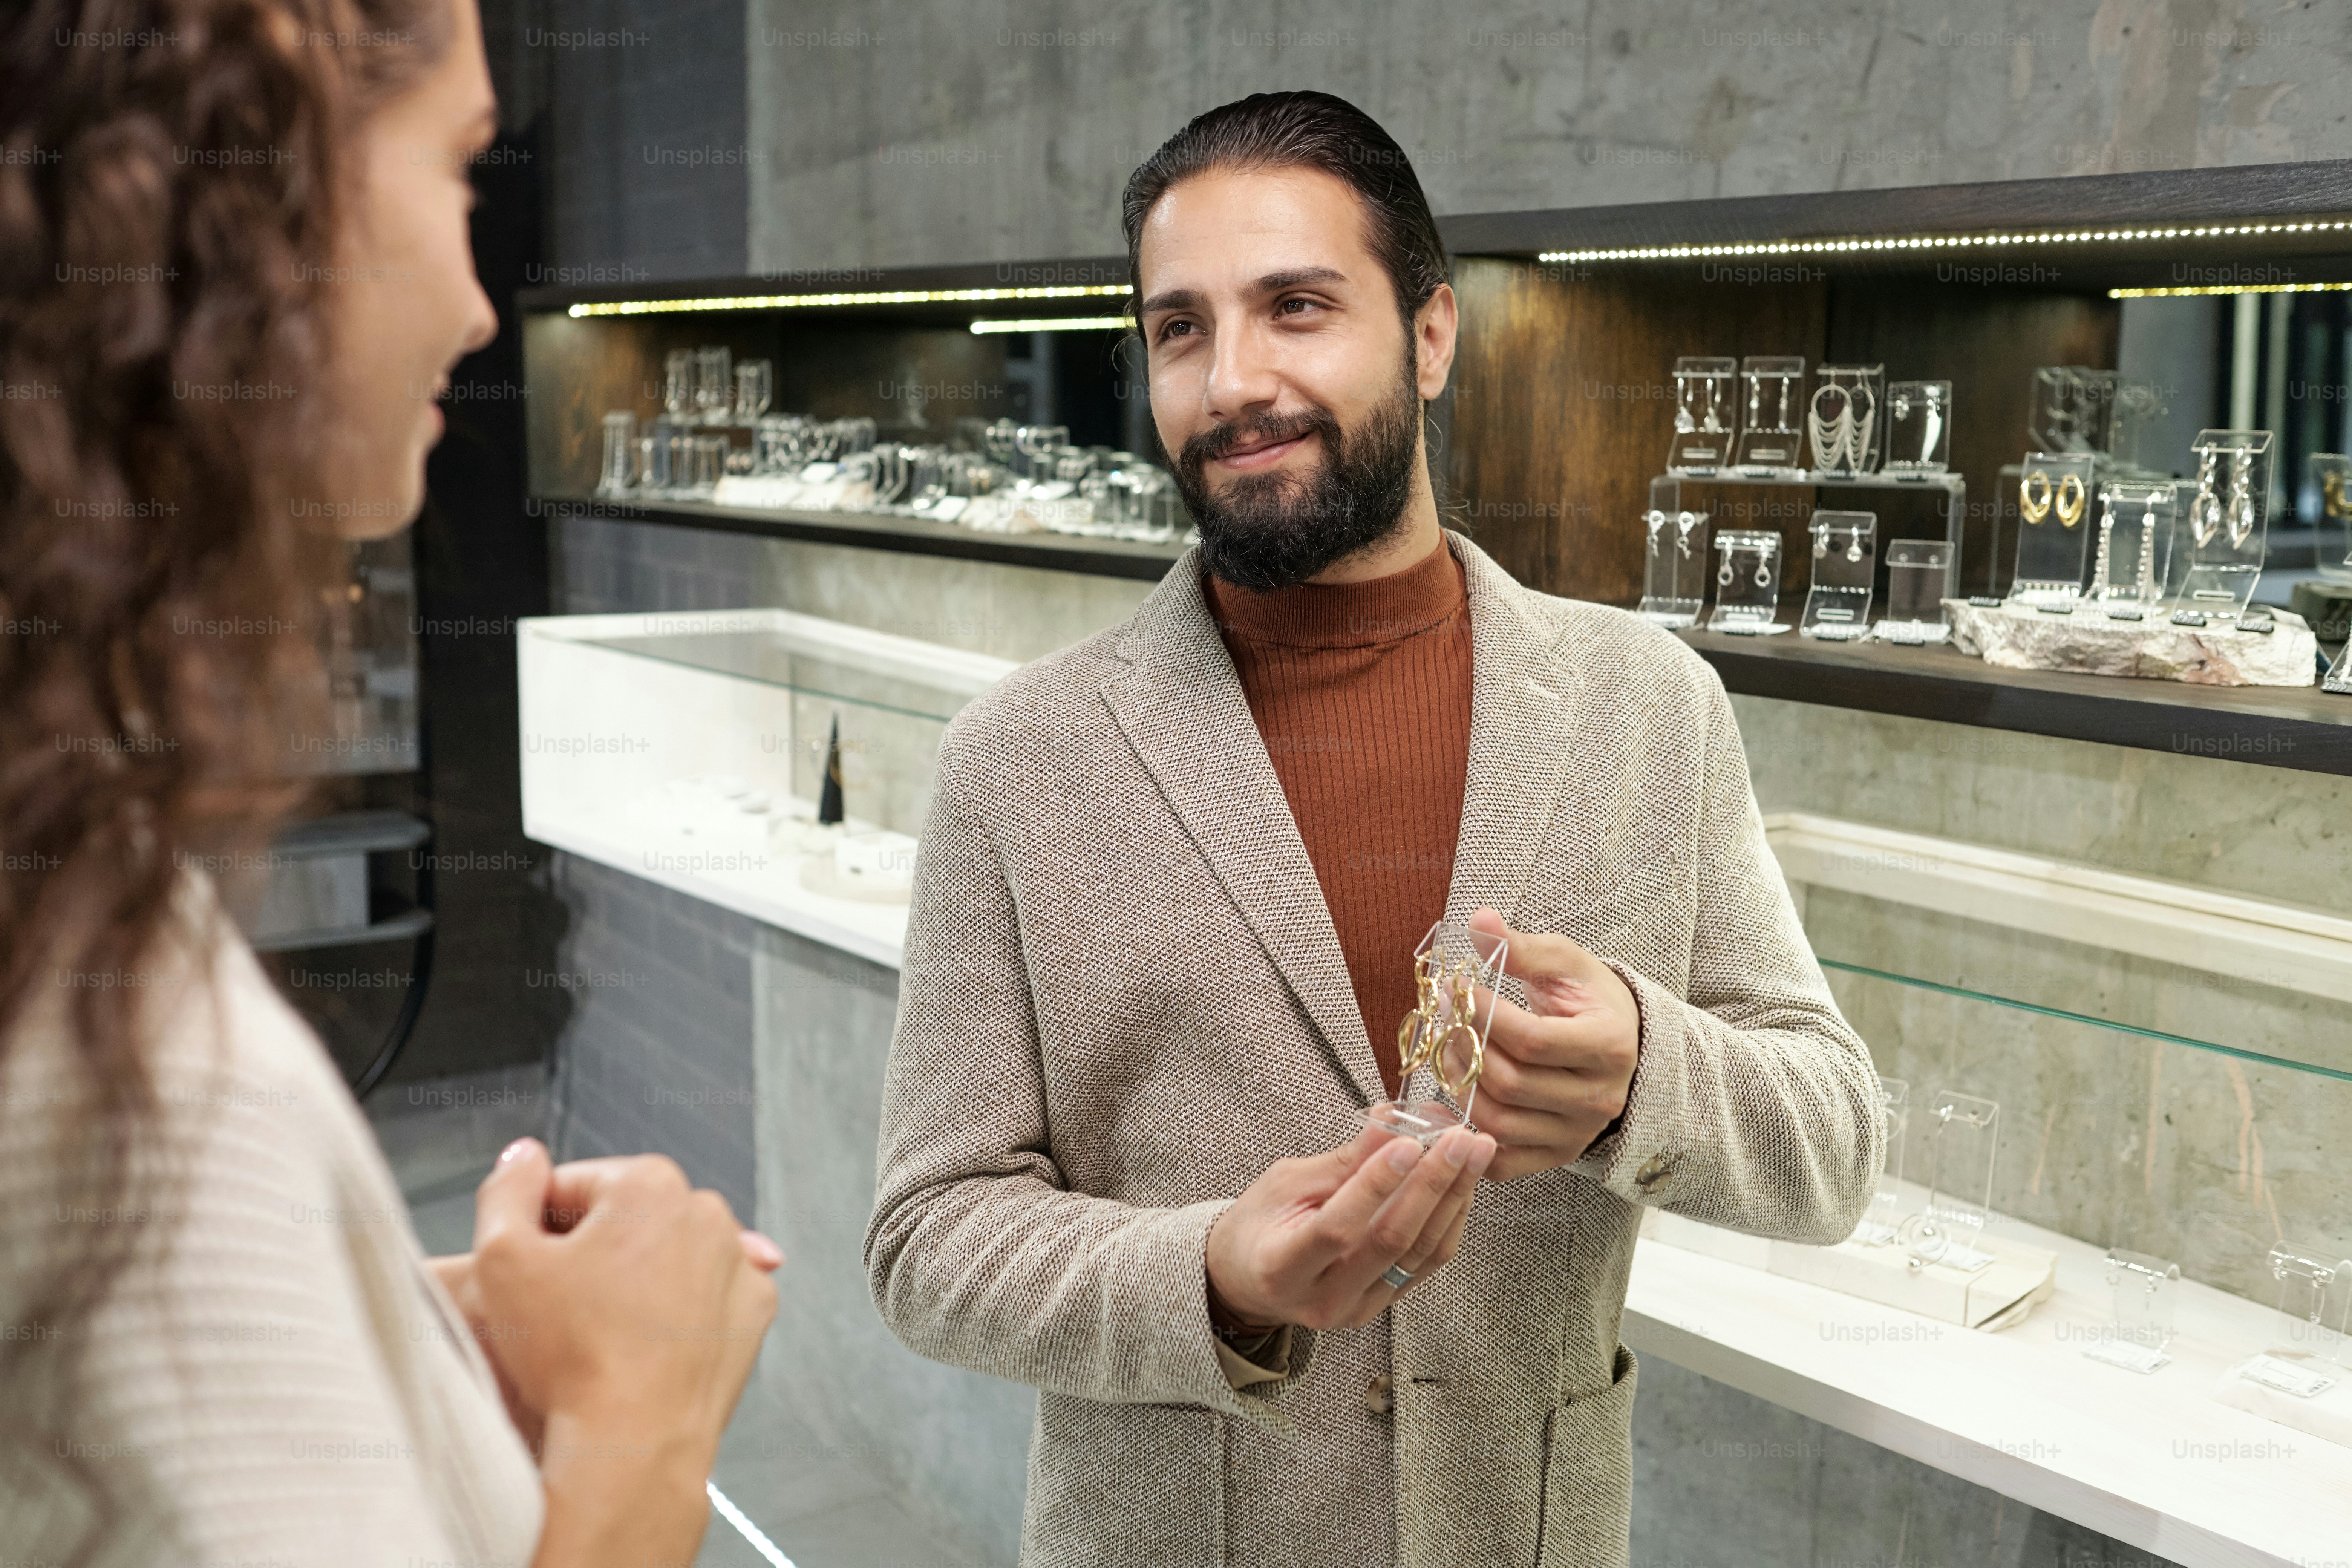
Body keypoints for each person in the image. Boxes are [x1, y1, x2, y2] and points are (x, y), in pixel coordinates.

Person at [866, 90, 1880, 1568]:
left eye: (1296, 307)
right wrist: (1213, 1270)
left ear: (1431, 334)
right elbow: (928, 1240)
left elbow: (1835, 1141)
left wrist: (1639, 1078)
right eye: (1179, 329)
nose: (1232, 381)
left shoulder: (1647, 705)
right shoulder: (1018, 760)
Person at [0, 4, 776, 1566]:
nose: (484, 309)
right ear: (262, 211)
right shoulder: (139, 1083)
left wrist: (376, 1331)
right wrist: (650, 1402)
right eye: (457, 168)